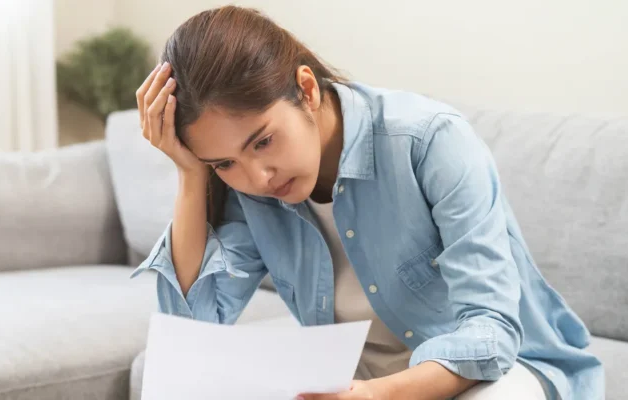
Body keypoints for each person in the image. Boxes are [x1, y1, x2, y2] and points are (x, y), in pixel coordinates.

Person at [131, 5, 603, 400]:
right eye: (224, 163)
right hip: (353, 381)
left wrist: (380, 395)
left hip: (486, 373)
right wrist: (192, 175)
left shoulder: (428, 141)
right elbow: (193, 330)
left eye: (263, 141)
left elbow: (493, 330)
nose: (257, 177)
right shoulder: (247, 188)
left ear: (307, 89)